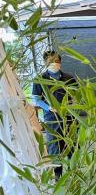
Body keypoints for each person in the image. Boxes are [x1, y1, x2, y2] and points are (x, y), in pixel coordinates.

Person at [32, 50, 76, 178]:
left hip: (69, 117)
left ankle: (74, 170)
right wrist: (49, 107)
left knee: (71, 144)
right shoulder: (40, 79)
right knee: (55, 146)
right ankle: (58, 175)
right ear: (46, 63)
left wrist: (71, 104)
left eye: (56, 61)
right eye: (51, 62)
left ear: (60, 63)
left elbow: (76, 95)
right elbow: (36, 100)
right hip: (51, 119)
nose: (54, 64)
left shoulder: (69, 78)